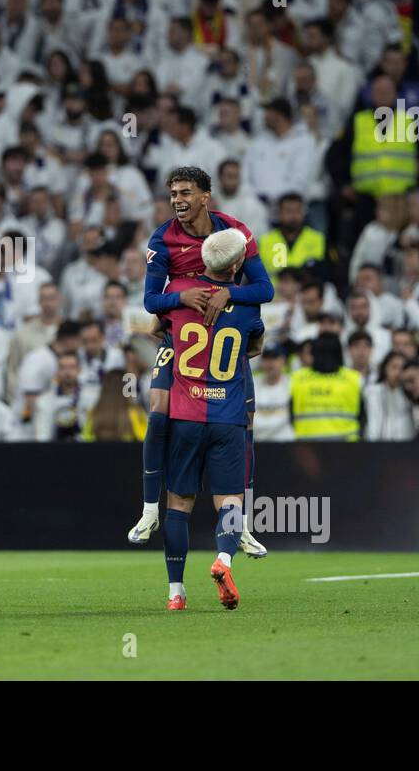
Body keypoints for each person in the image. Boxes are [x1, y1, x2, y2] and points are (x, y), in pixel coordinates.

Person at [131, 165, 273, 561]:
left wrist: (227, 295)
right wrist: (184, 297)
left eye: (186, 192)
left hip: (222, 337)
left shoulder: (235, 233)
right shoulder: (163, 240)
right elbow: (150, 302)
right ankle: (148, 511)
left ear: (206, 196)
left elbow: (265, 288)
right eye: (173, 192)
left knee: (244, 420)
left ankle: (240, 526)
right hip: (178, 338)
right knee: (158, 413)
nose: (178, 199)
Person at [158, 228, 265, 612]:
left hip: (185, 415)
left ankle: (175, 592)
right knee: (230, 501)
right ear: (237, 264)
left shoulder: (180, 294)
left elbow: (158, 329)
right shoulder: (249, 306)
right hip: (228, 417)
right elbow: (255, 346)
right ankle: (224, 559)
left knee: (178, 503)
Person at [289, 333, 364, 441]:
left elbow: (290, 415)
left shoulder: (298, 378)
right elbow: (362, 417)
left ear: (313, 354)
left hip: (306, 447)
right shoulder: (353, 378)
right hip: (346, 449)